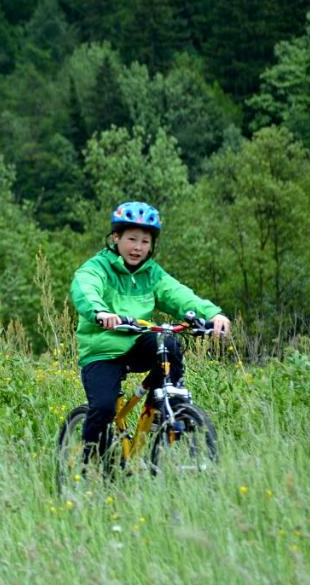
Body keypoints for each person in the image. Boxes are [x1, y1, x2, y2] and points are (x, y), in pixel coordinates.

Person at [69, 201, 230, 470]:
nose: (138, 247)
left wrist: (212, 314)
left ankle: (166, 404)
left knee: (168, 342)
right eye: (132, 239)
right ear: (116, 238)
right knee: (105, 408)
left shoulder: (151, 273)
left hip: (136, 343)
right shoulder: (97, 268)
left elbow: (179, 294)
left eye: (145, 241)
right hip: (103, 349)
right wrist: (99, 312)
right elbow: (85, 289)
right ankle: (87, 466)